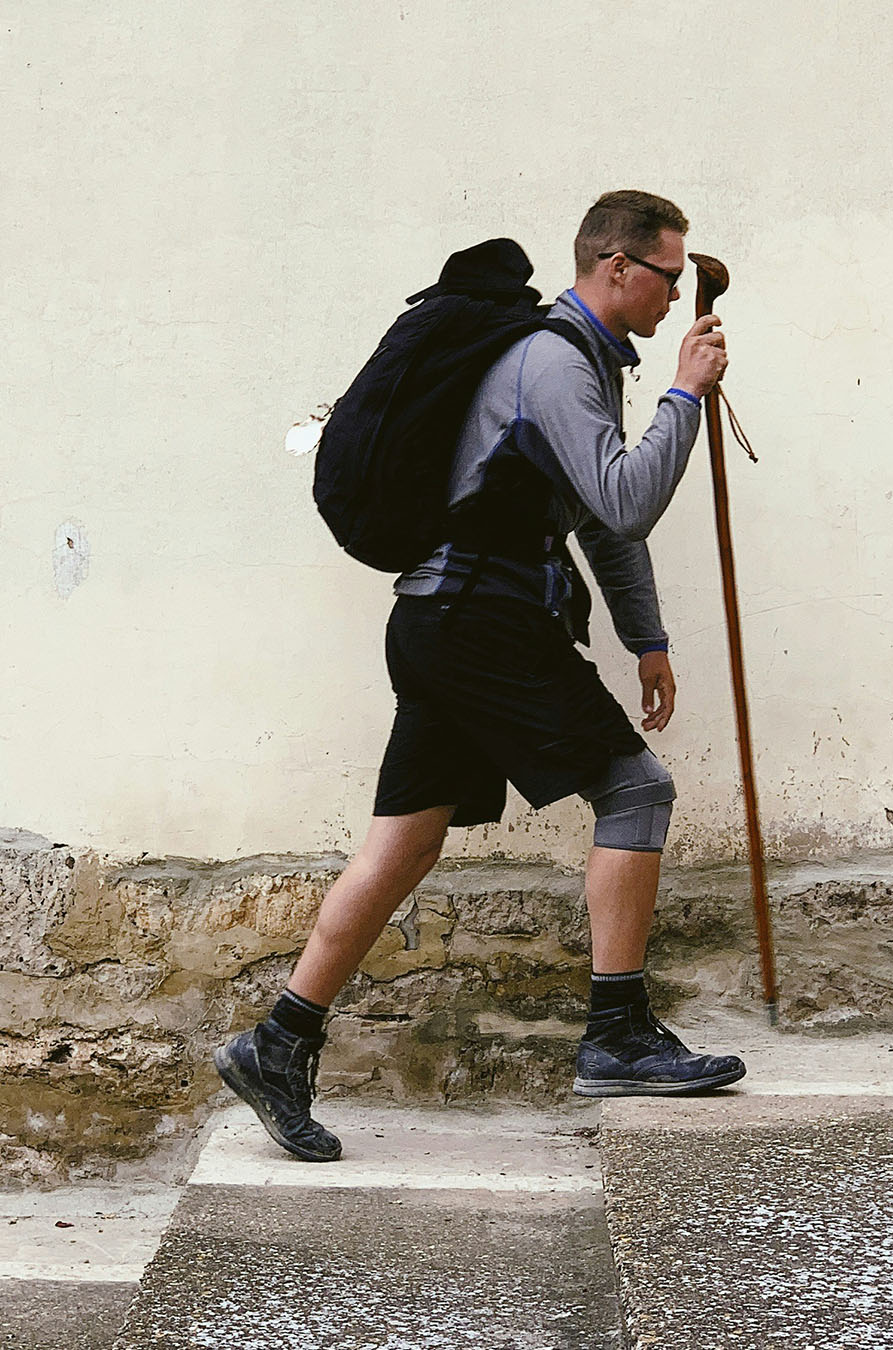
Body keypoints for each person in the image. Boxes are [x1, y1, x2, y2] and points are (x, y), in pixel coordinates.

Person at [214, 190, 745, 1163]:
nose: (676, 293)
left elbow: (591, 519)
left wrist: (649, 637)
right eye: (668, 274)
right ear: (616, 268)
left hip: (438, 621)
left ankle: (276, 1043)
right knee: (636, 789)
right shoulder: (552, 358)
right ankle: (618, 1036)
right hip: (478, 621)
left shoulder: (574, 363)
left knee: (404, 846)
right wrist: (684, 394)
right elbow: (627, 502)